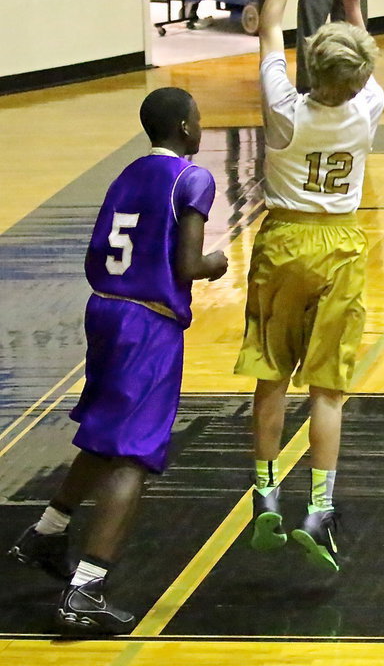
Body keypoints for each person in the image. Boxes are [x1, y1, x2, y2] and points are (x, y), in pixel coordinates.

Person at [8, 87, 228, 636]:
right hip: (147, 323)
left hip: (104, 309)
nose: (201, 128)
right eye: (198, 120)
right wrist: (216, 263)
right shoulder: (192, 178)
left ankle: (46, 532)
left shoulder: (126, 172)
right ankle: (86, 590)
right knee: (133, 455)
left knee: (105, 434)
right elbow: (185, 265)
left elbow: (98, 248)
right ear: (183, 127)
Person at [234, 0, 384, 572]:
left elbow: (268, 27)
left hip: (283, 243)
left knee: (272, 376)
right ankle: (319, 510)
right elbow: (363, 59)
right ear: (358, 78)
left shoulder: (284, 110)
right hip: (340, 246)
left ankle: (265, 497)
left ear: (310, 67)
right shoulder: (370, 107)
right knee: (328, 389)